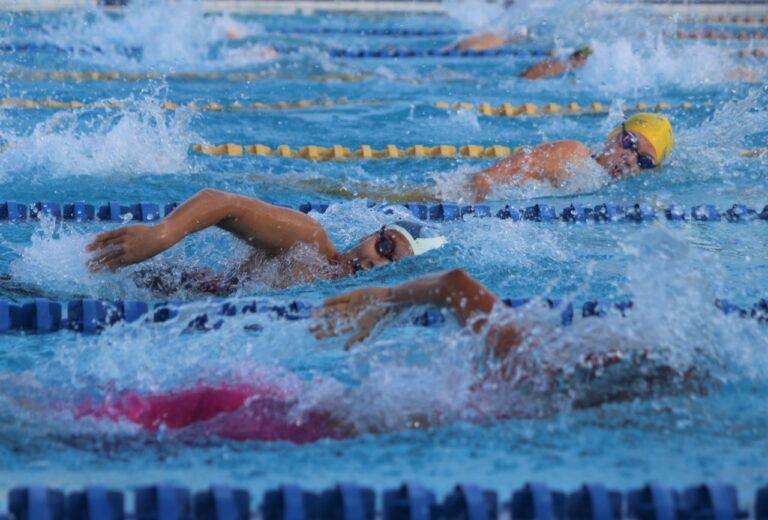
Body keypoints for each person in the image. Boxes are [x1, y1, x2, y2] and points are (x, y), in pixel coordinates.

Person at [64, 269, 699, 442]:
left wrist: (385, 299)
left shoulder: (525, 367)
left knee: (72, 419)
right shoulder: (531, 386)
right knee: (65, 428)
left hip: (270, 400)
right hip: (281, 425)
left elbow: (455, 283)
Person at [85, 189, 446, 293]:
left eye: (391, 266)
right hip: (166, 288)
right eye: (384, 248)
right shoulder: (309, 242)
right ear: (372, 234)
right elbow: (222, 203)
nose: (374, 264)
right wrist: (161, 234)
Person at [279, 113, 675, 203]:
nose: (627, 158)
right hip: (463, 195)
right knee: (371, 195)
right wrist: (474, 210)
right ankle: (296, 183)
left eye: (642, 161)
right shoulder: (574, 155)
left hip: (474, 199)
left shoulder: (598, 182)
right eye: (628, 142)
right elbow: (493, 175)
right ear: (614, 133)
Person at [519, 47, 592, 80]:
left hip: (526, 73)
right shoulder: (565, 66)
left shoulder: (557, 62)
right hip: (531, 77)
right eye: (582, 62)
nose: (582, 65)